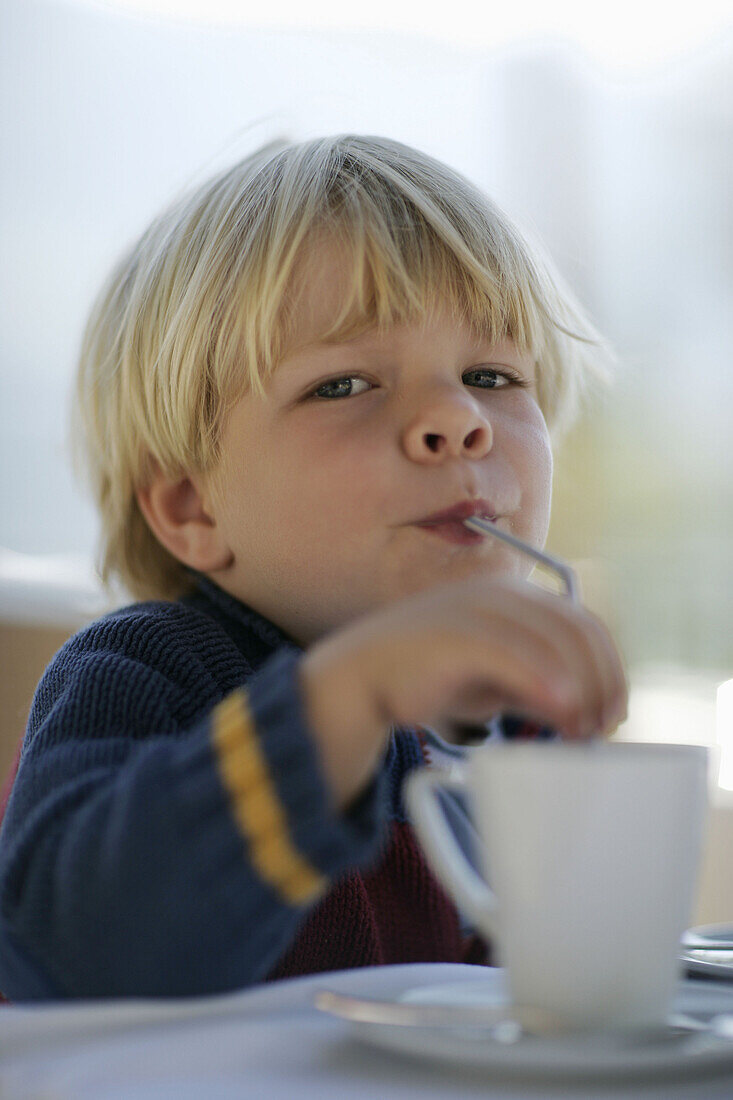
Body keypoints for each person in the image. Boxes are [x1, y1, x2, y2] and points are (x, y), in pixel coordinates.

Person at [0, 135, 627, 1000]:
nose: (455, 418)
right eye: (344, 385)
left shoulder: (522, 725)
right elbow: (62, 952)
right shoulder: (146, 673)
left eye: (489, 374)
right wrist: (349, 696)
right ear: (192, 508)